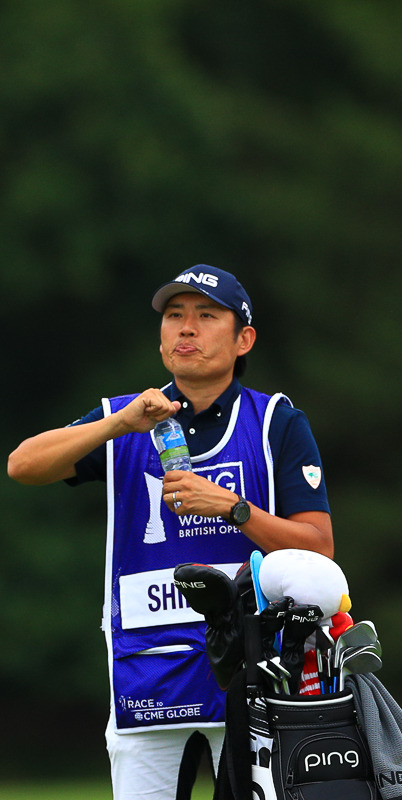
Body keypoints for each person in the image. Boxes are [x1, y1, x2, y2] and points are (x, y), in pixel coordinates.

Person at [7, 265, 334, 800]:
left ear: (242, 339)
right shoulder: (123, 418)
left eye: (206, 316)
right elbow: (22, 465)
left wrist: (234, 509)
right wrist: (116, 424)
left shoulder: (277, 421)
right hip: (148, 675)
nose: (186, 329)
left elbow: (319, 548)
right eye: (175, 316)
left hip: (255, 668)